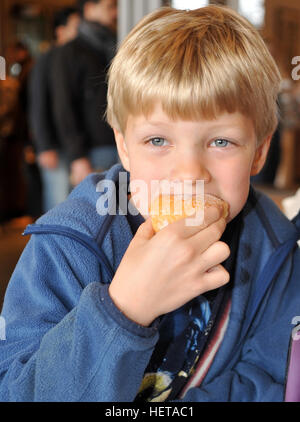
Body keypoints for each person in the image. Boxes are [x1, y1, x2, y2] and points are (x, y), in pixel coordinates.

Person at [0, 5, 300, 402]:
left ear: (259, 153)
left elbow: (268, 377)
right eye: (158, 140)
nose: (188, 173)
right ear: (124, 147)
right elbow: (18, 390)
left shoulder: (273, 247)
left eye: (221, 141)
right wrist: (125, 309)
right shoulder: (68, 244)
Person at [50, 0, 118, 188]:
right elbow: (64, 106)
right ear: (89, 8)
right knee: (98, 212)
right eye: (109, 6)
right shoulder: (70, 52)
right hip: (92, 150)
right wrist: (77, 156)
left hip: (120, 142)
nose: (115, 13)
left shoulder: (112, 44)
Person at [28, 8, 80, 212]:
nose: (80, 31)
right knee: (57, 202)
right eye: (76, 27)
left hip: (70, 143)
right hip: (54, 146)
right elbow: (38, 103)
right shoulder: (47, 59)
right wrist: (44, 146)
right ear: (60, 30)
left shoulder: (71, 59)